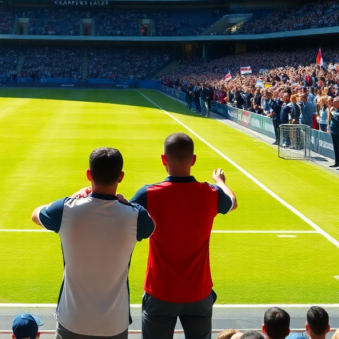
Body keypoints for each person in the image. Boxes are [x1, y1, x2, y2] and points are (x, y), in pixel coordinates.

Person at [32, 148, 155, 339]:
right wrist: (125, 203)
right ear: (121, 177)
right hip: (114, 325)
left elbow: (35, 214)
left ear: (89, 174)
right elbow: (150, 226)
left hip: (72, 321)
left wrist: (73, 197)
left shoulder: (66, 209)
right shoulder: (135, 216)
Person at [130, 133, 237, 339]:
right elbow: (232, 201)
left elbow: (120, 214)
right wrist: (220, 181)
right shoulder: (211, 193)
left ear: (163, 159)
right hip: (198, 293)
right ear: (193, 160)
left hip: (160, 292)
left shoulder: (148, 194)